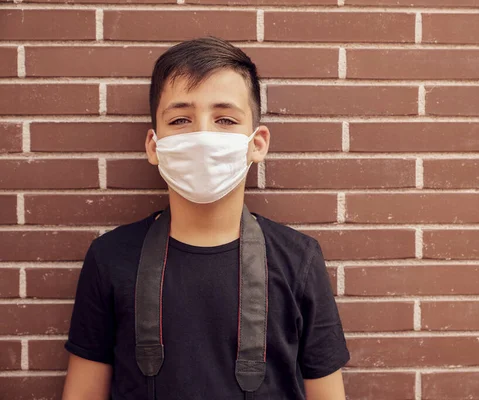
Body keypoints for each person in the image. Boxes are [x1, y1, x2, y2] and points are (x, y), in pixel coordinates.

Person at [61, 37, 350, 400]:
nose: (202, 136)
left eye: (225, 119)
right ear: (154, 146)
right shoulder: (109, 258)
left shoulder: (298, 260)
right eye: (180, 119)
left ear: (257, 143)